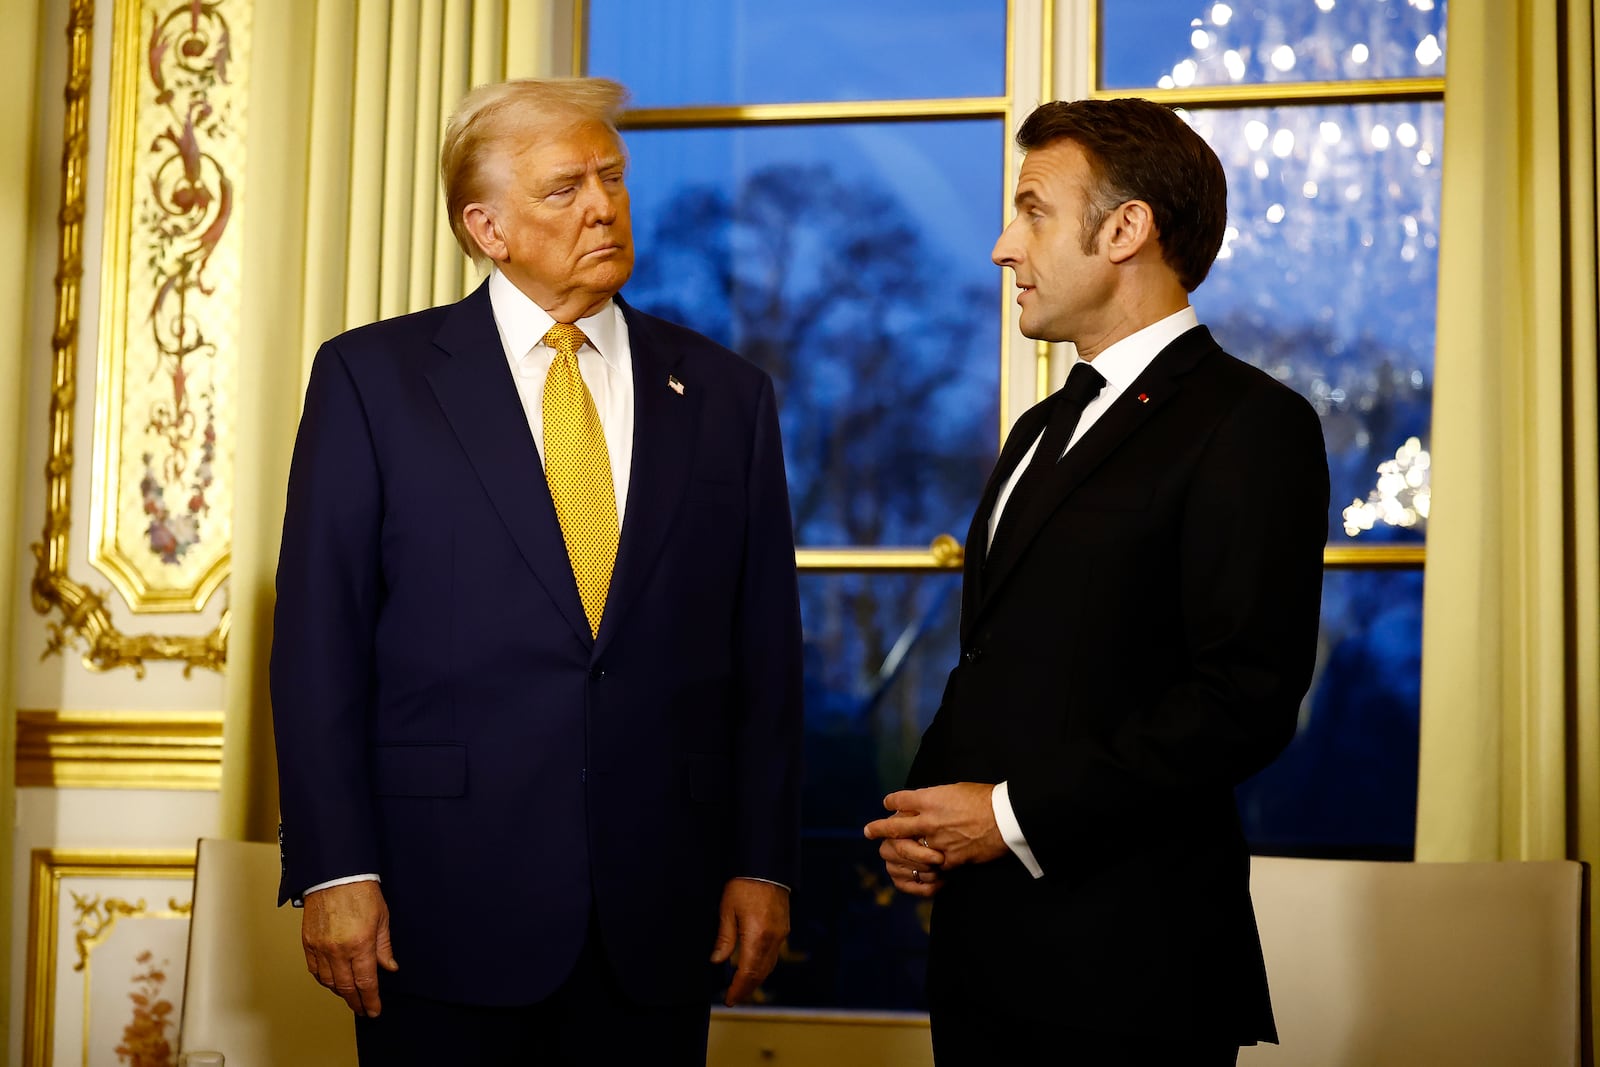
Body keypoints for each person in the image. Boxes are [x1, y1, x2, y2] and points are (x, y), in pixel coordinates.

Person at [270, 77, 803, 1065]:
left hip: (660, 909)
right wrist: (335, 865)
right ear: (487, 226)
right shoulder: (372, 380)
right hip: (438, 906)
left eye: (612, 177)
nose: (603, 205)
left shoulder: (727, 394)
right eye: (564, 189)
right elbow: (317, 645)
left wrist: (762, 861)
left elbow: (765, 655)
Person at [864, 97, 1329, 1065]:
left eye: (1031, 209)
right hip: (984, 956)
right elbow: (998, 656)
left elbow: (1243, 698)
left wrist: (1003, 814)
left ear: (1125, 228)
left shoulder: (1252, 422)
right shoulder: (1039, 428)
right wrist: (926, 811)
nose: (1000, 245)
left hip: (1133, 973)